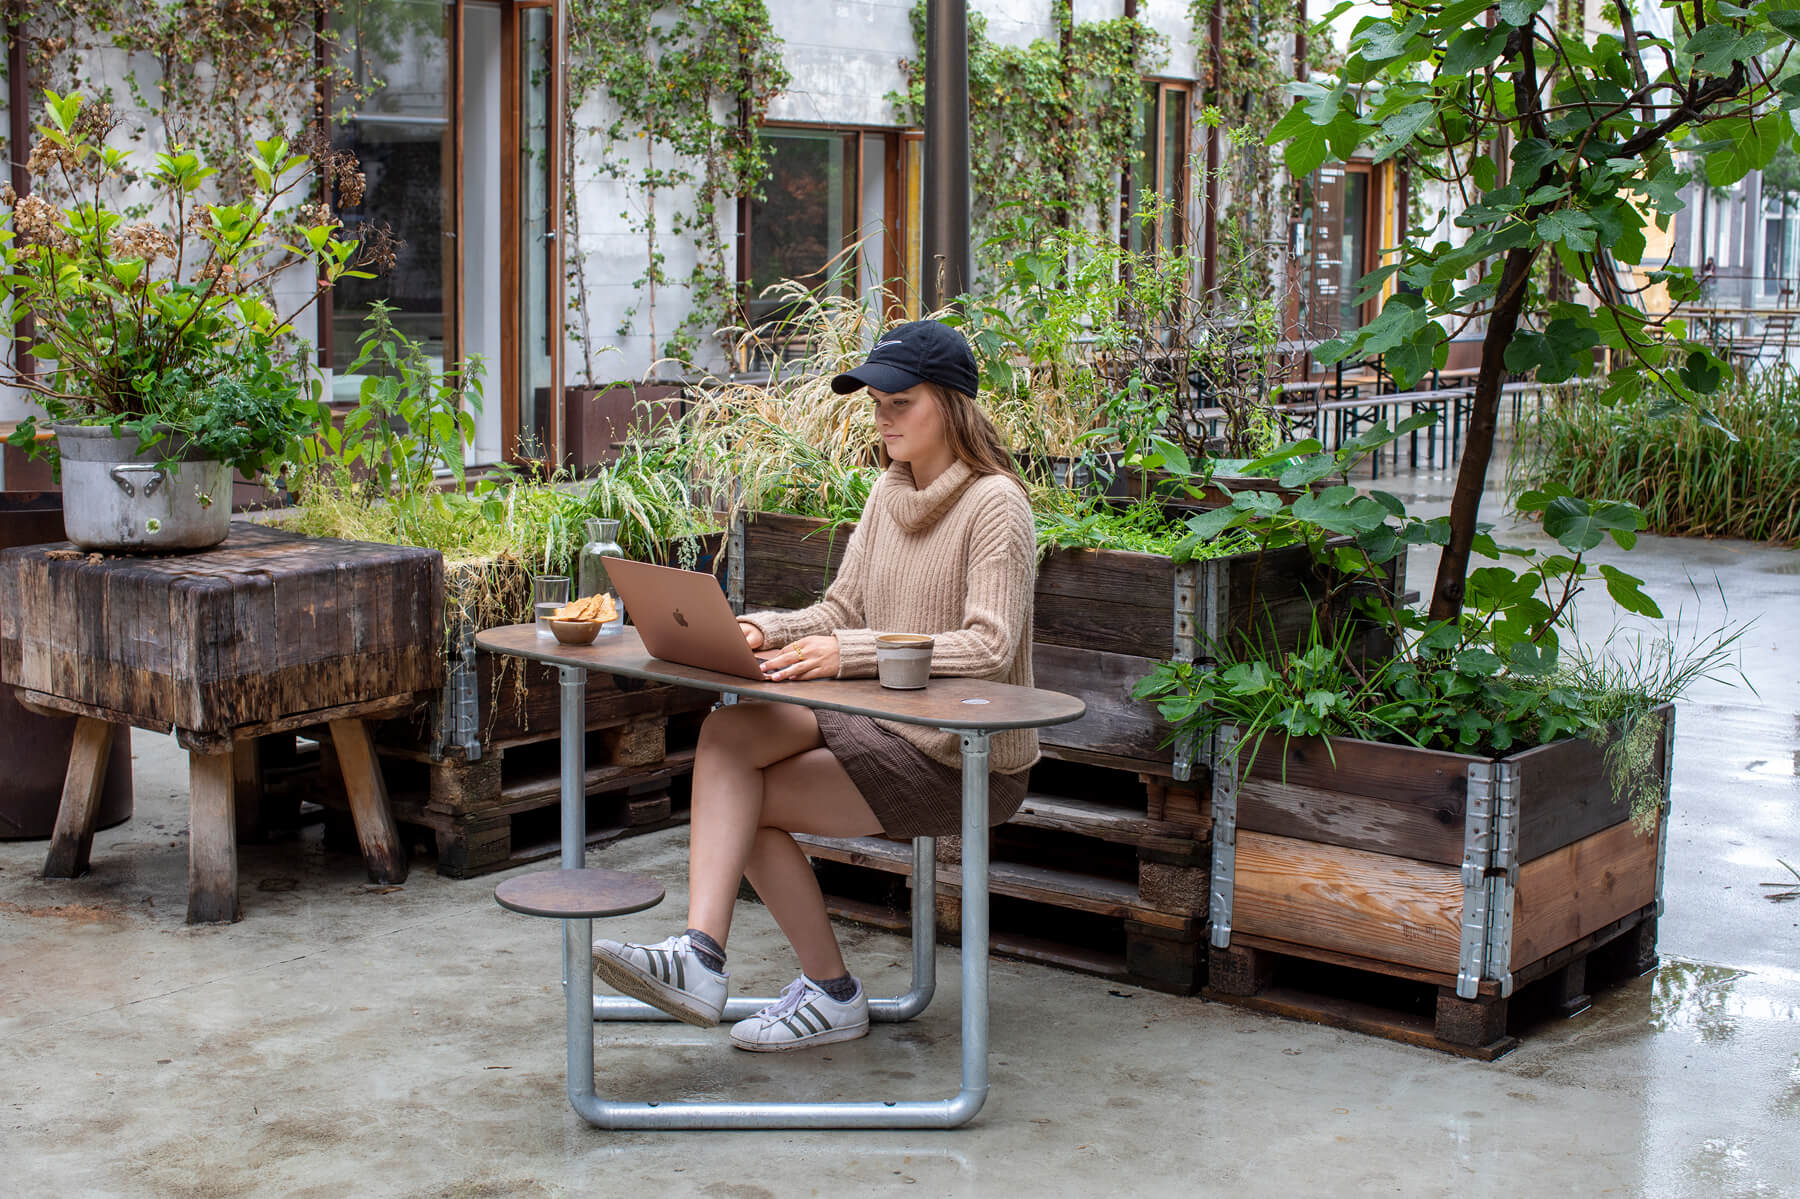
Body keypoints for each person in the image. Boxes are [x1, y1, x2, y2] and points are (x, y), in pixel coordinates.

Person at [592, 319, 1039, 1052]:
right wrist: (765, 629)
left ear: (952, 404)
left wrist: (848, 652)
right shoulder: (887, 493)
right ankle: (702, 958)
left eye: (901, 399)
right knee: (727, 732)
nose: (884, 414)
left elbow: (988, 645)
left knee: (746, 804)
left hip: (961, 754)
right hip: (876, 721)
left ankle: (827, 992)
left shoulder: (996, 504)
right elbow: (839, 611)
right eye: (876, 401)